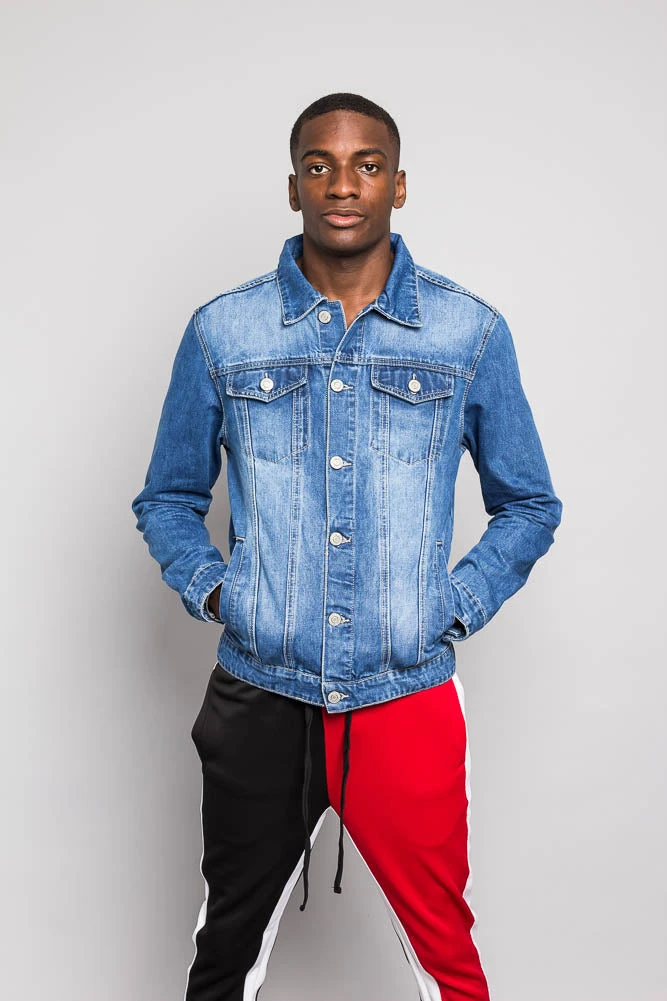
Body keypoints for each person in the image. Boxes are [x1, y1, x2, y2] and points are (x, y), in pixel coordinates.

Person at [131, 91, 563, 1001]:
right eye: (319, 166)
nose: (342, 184)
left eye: (366, 165)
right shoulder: (223, 330)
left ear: (397, 186)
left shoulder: (467, 332)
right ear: (293, 187)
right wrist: (221, 591)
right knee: (224, 956)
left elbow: (527, 504)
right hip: (261, 690)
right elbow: (168, 497)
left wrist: (449, 604)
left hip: (404, 692)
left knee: (446, 959)